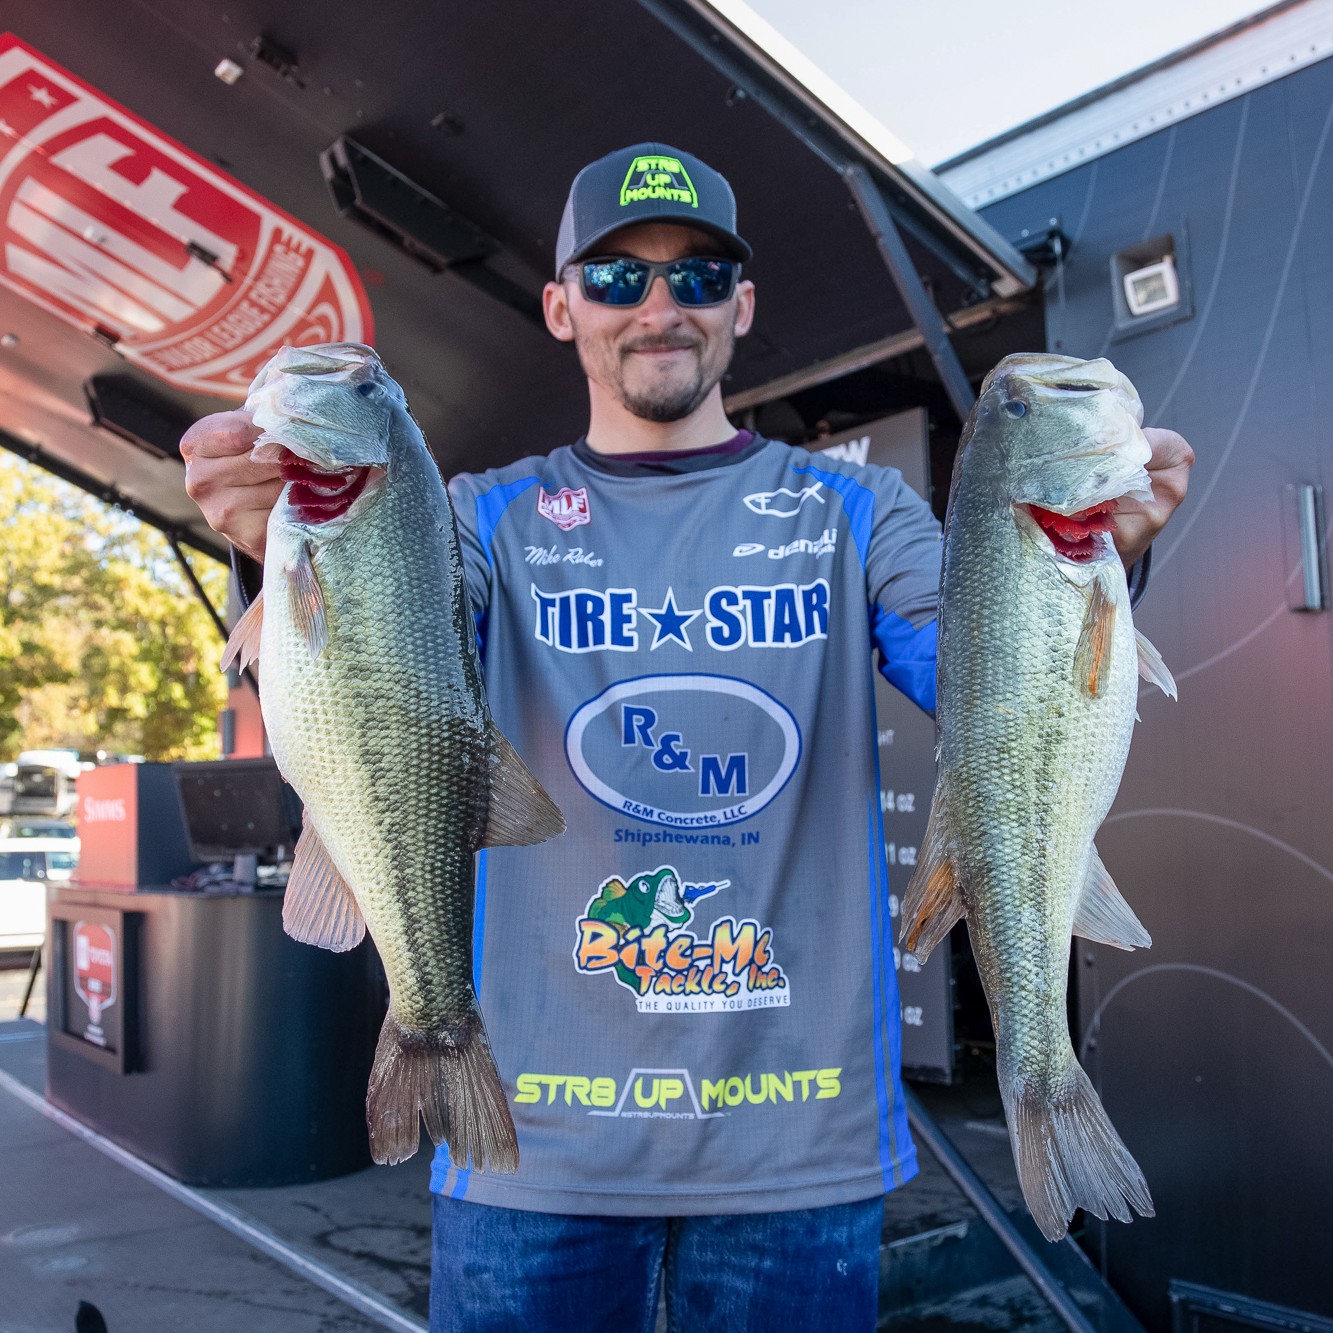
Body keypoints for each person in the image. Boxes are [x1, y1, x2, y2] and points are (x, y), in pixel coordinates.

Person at [181, 143, 1193, 1331]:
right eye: (617, 277)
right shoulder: (475, 517)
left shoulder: (859, 511)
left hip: (798, 1148)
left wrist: (1089, 558)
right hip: (532, 1146)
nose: (659, 305)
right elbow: (379, 679)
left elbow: (977, 679)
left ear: (741, 306)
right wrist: (274, 546)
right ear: (559, 307)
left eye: (697, 275)